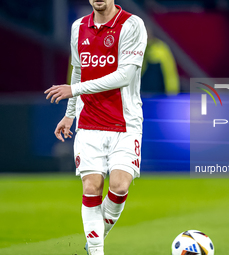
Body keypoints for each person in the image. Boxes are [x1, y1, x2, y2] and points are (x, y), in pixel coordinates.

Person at [44, 1, 147, 254]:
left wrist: (74, 90)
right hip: (89, 124)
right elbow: (77, 71)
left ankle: (93, 242)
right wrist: (70, 114)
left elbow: (125, 75)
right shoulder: (78, 27)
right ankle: (96, 251)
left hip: (125, 123)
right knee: (91, 188)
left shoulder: (132, 25)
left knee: (120, 186)